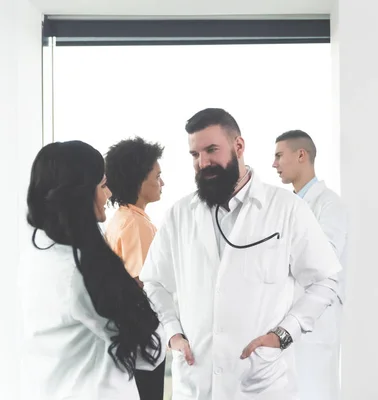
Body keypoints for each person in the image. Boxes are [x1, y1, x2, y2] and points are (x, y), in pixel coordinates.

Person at [140, 108, 342, 400]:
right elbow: (154, 282)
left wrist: (284, 334)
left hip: (262, 384)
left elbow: (325, 281)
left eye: (211, 150)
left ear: (239, 146)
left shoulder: (286, 209)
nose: (203, 162)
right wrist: (172, 332)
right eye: (194, 155)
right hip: (196, 385)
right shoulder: (180, 215)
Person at [19, 140, 165, 400]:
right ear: (81, 194)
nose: (107, 194)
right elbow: (149, 352)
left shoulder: (35, 257)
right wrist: (145, 298)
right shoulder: (82, 273)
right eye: (102, 185)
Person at [273, 130, 348, 400]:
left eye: (279, 155)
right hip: (289, 319)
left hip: (317, 322)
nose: (274, 164)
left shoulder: (329, 204)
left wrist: (280, 252)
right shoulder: (288, 206)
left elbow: (323, 260)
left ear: (301, 155)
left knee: (315, 389)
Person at [104, 137, 166, 400]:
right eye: (158, 176)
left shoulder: (122, 219)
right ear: (140, 181)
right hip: (144, 342)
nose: (162, 183)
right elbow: (144, 285)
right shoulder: (135, 225)